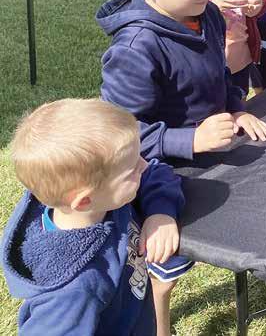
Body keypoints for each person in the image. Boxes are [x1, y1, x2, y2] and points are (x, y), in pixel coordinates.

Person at [97, 0, 266, 330]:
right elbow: (119, 135)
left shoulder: (206, 13)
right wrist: (190, 140)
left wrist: (235, 106)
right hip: (157, 172)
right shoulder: (136, 48)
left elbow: (219, 73)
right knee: (163, 271)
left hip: (210, 153)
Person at [1, 99, 185, 336]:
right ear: (84, 200)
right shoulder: (73, 289)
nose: (143, 165)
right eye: (132, 168)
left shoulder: (103, 197)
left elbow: (156, 172)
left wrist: (160, 212)